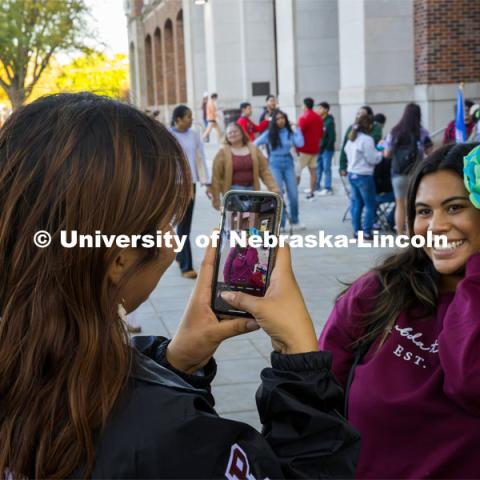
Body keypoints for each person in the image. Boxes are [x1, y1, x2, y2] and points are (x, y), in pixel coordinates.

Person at [0, 92, 360, 479]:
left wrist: (176, 364)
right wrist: (300, 362)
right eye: (164, 221)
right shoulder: (166, 434)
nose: (174, 239)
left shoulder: (35, 365)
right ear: (119, 259)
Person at [319, 142, 480, 479]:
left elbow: (471, 382)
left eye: (454, 207)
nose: (435, 226)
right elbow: (318, 391)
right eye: (423, 211)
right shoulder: (380, 290)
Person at [170, 105, 211, 279]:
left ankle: (181, 257)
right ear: (178, 119)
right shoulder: (168, 135)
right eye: (188, 117)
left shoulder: (194, 136)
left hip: (190, 184)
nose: (191, 119)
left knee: (184, 225)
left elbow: (200, 157)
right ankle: (185, 265)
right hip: (174, 185)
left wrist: (207, 182)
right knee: (181, 224)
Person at [384, 102, 433, 235]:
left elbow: (387, 154)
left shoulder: (394, 131)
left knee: (399, 205)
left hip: (398, 174)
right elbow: (430, 152)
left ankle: (400, 234)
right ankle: (411, 233)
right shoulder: (422, 132)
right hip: (416, 173)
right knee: (413, 204)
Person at [254, 109, 305, 231]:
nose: (280, 120)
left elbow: (300, 143)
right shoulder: (269, 133)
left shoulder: (289, 132)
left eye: (282, 118)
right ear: (274, 121)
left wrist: (297, 129)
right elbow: (254, 144)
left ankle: (295, 219)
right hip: (274, 163)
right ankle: (280, 223)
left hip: (288, 163)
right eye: (277, 118)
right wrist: (262, 158)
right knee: (278, 194)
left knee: (293, 193)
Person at [211, 122, 279, 210]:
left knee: (251, 221)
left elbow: (264, 171)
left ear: (242, 133)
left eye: (235, 131)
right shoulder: (222, 152)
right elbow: (216, 177)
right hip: (233, 193)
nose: (232, 134)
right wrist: (216, 199)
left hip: (252, 191)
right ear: (226, 136)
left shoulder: (253, 149)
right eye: (229, 133)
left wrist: (274, 189)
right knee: (237, 222)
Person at [345, 114, 383, 240]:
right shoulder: (367, 139)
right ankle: (367, 231)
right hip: (364, 175)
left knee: (357, 204)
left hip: (352, 173)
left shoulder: (352, 137)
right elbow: (372, 159)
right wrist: (380, 152)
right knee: (369, 204)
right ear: (370, 125)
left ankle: (357, 231)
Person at [339, 105, 383, 176]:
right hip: (359, 170)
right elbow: (344, 148)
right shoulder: (352, 129)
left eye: (362, 114)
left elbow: (375, 142)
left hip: (368, 168)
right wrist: (342, 166)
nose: (359, 116)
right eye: (358, 113)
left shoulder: (376, 127)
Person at [297, 98, 324, 200]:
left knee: (297, 172)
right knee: (313, 172)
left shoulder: (303, 117)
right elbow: (321, 134)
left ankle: (293, 192)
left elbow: (299, 134)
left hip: (304, 150)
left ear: (305, 105)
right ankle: (312, 192)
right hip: (315, 149)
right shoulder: (319, 118)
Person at [315, 101, 336, 196]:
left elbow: (332, 137)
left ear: (326, 110)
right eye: (318, 108)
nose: (318, 110)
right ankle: (317, 186)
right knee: (318, 168)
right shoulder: (319, 120)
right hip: (318, 149)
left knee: (327, 168)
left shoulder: (329, 121)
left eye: (320, 108)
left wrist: (327, 147)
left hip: (326, 150)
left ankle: (327, 187)